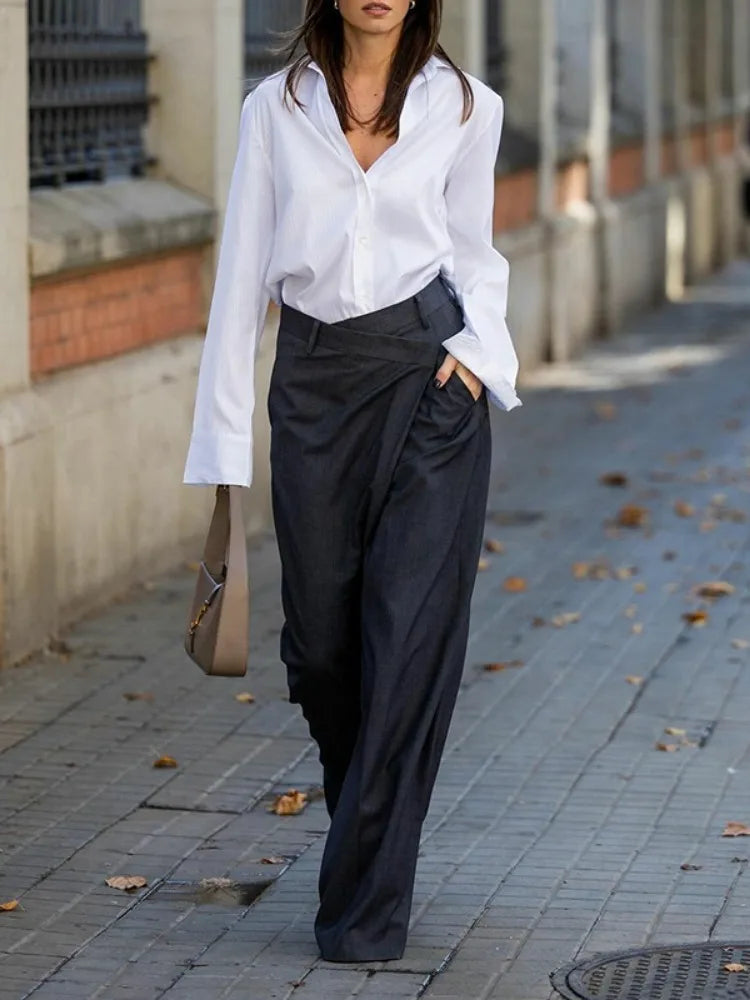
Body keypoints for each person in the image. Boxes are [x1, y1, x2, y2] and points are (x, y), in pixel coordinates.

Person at [182, 0, 522, 964]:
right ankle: (364, 822)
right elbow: (243, 271)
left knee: (407, 636)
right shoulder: (273, 108)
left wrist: (476, 360)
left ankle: (365, 907)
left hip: (428, 382)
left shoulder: (466, 107)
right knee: (327, 649)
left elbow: (475, 252)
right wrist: (221, 449)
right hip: (316, 388)